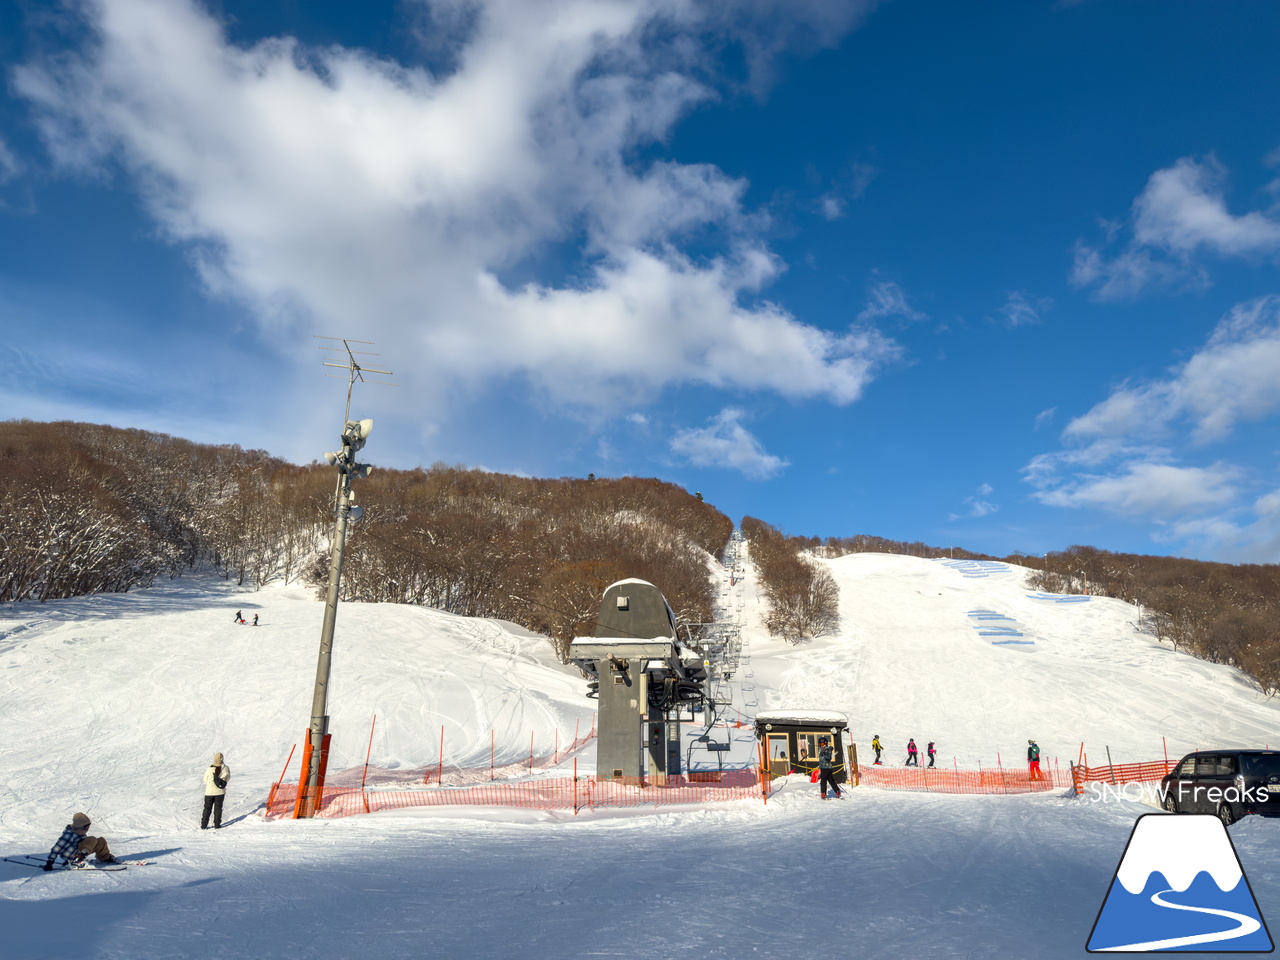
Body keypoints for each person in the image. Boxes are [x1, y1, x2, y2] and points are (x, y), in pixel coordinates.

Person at [44, 812, 116, 869]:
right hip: (70, 855)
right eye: (87, 827)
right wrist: (50, 862)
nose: (88, 828)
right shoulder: (69, 834)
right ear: (81, 826)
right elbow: (56, 849)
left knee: (100, 840)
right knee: (92, 839)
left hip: (79, 852)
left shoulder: (80, 832)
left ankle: (104, 858)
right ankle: (76, 861)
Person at [203, 752, 231, 829]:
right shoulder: (225, 768)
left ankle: (204, 825)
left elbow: (205, 780)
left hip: (209, 792)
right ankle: (217, 825)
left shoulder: (209, 769)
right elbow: (227, 778)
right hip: (220, 792)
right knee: (218, 808)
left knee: (207, 808)